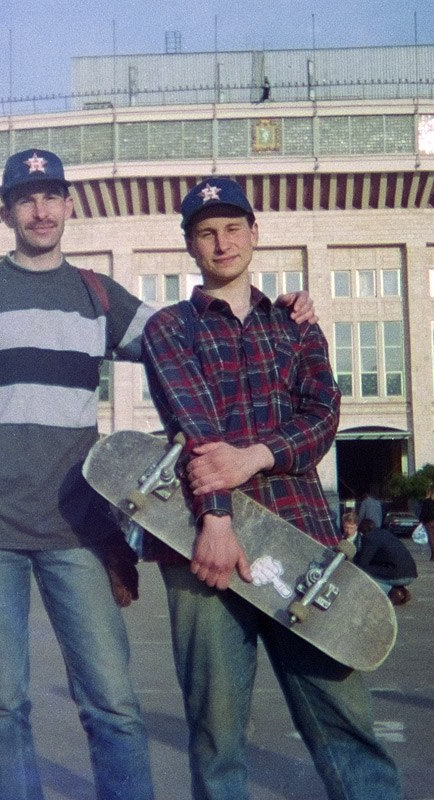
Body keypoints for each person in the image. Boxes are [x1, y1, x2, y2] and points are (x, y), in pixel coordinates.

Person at [0, 151, 315, 800]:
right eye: (26, 198)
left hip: (76, 527)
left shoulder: (96, 295)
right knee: (2, 704)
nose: (40, 210)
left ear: (70, 206)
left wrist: (272, 307)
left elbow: (189, 336)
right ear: (3, 210)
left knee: (114, 705)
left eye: (52, 196)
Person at [141, 177, 402, 800]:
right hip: (203, 548)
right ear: (189, 245)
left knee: (343, 719)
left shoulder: (296, 326)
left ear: (255, 235)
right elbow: (195, 423)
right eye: (206, 232)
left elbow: (322, 419)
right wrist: (219, 518)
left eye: (233, 228)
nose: (222, 242)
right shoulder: (169, 328)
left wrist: (253, 456)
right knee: (217, 734)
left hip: (301, 542)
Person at [353, 520, 417, 606]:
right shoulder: (385, 533)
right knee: (373, 570)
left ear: (362, 532)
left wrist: (352, 558)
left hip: (399, 575)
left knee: (362, 573)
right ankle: (402, 591)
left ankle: (393, 591)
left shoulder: (370, 537)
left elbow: (362, 564)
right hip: (410, 573)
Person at [417, 486, 434, 561]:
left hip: (428, 521)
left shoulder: (426, 502)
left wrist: (421, 519)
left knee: (431, 538)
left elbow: (424, 512)